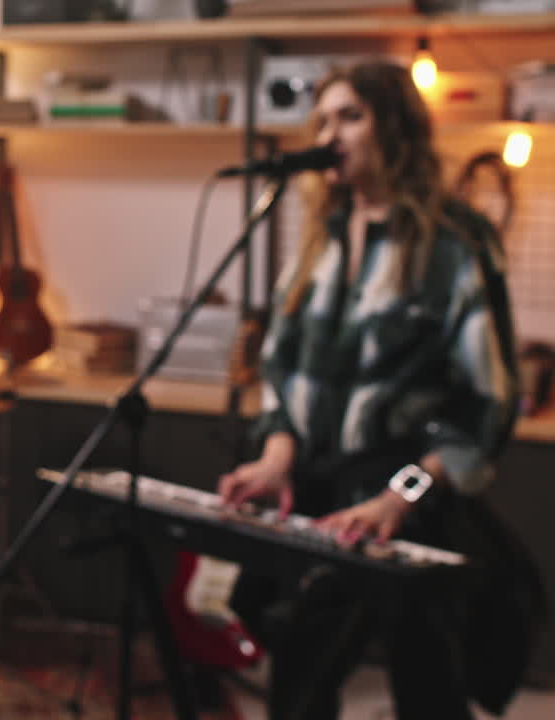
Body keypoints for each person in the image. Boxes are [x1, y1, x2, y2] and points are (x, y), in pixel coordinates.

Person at [217, 60, 523, 720]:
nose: (332, 134)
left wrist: (399, 497)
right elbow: (280, 376)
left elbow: (487, 403)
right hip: (321, 503)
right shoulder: (318, 241)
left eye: (350, 117)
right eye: (322, 119)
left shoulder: (457, 242)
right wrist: (275, 455)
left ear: (396, 130)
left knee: (428, 686)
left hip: (407, 503)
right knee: (299, 679)